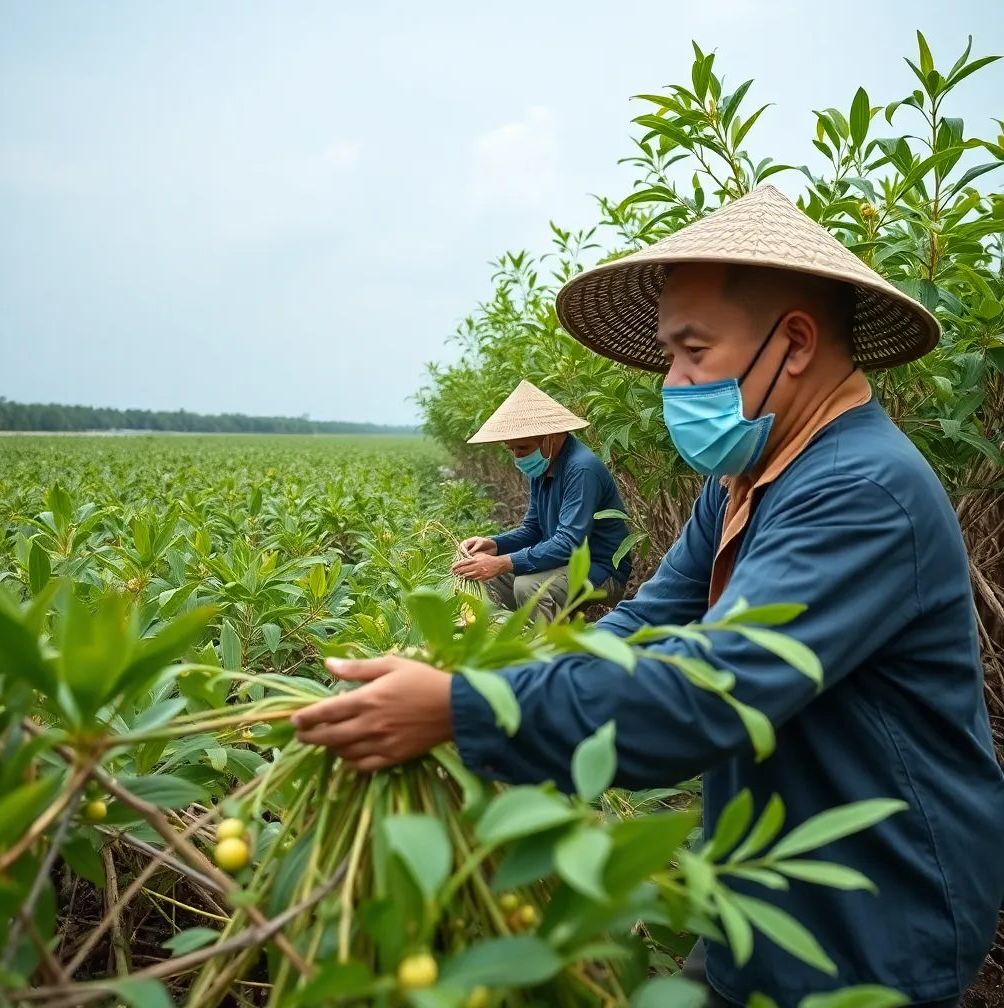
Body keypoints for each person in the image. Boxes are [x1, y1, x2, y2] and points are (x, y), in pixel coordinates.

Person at [290, 186, 1004, 1007]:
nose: (675, 381)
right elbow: (641, 621)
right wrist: (481, 668)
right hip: (760, 879)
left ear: (796, 342)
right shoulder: (745, 477)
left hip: (874, 910)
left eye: (693, 351)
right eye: (670, 354)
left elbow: (707, 690)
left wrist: (464, 709)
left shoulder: (861, 491)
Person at [450, 379, 632, 621]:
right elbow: (533, 529)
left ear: (551, 437)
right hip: (563, 563)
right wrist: (493, 545)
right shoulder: (543, 466)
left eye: (523, 448)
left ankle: (551, 650)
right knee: (489, 574)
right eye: (511, 449)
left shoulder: (581, 470)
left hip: (601, 571)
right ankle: (534, 628)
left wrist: (504, 562)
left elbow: (569, 543)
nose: (517, 457)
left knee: (528, 587)